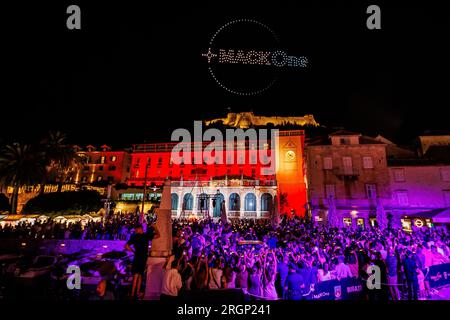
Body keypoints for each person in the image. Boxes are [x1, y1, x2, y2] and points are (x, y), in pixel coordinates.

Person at [125, 223, 159, 299]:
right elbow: (158, 235)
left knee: (136, 276)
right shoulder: (146, 235)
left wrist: (133, 251)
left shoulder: (135, 237)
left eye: (136, 229)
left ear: (140, 229)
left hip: (137, 257)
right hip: (143, 258)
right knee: (139, 275)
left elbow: (126, 246)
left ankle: (133, 294)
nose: (136, 231)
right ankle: (136, 293)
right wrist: (155, 227)